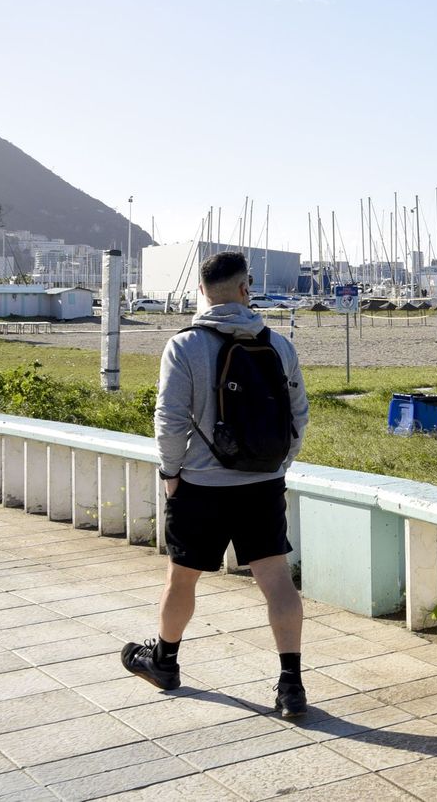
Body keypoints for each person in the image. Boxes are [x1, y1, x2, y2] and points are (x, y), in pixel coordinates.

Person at [121, 251, 311, 717]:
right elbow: (299, 417)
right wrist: (277, 466)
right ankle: (291, 685)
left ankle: (164, 662)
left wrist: (171, 473)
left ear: (202, 292)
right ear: (246, 289)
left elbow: (169, 421)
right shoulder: (279, 345)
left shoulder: (184, 345)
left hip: (200, 485)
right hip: (262, 484)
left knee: (181, 577)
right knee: (276, 580)